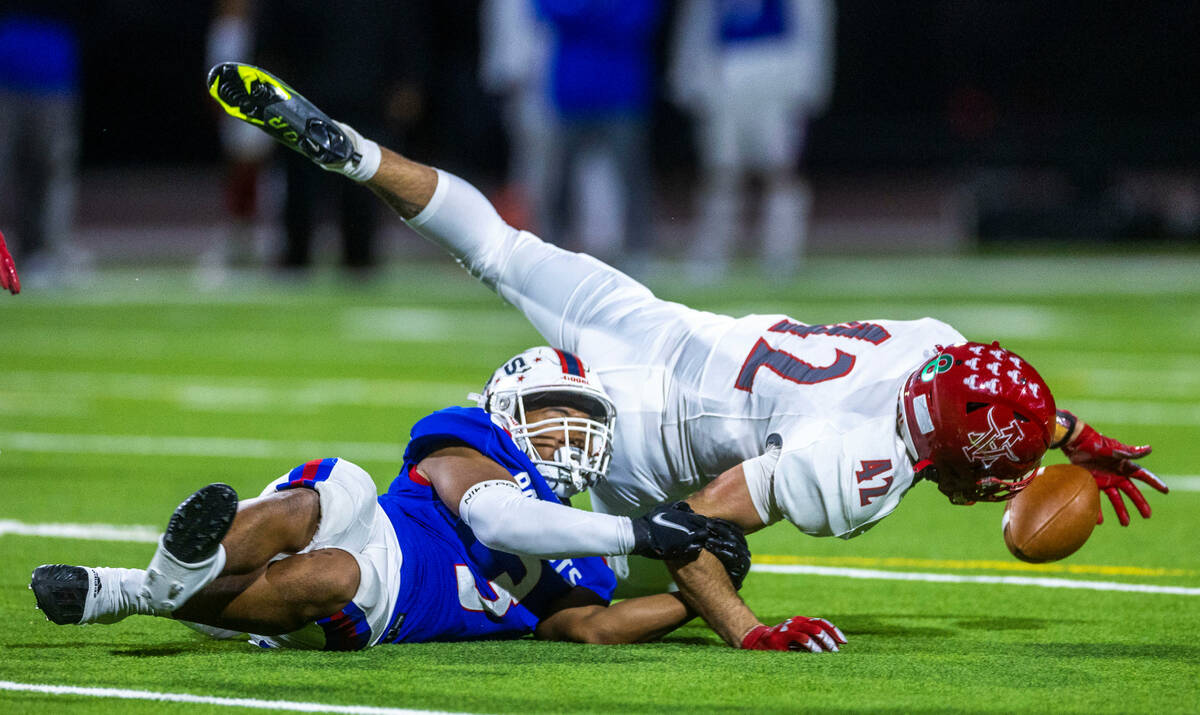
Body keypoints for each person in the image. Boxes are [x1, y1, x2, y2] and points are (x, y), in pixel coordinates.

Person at [204, 63, 1166, 648]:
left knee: (494, 244)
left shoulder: (937, 349)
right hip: (633, 437)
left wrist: (1069, 434)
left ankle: (357, 153)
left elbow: (978, 395)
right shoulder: (864, 467)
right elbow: (692, 521)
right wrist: (749, 631)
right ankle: (297, 587)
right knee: (584, 595)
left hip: (659, 326)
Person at [33, 347, 839, 651]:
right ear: (513, 406)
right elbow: (493, 515)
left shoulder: (583, 552)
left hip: (397, 599)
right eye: (558, 410)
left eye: (585, 419)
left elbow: (591, 625)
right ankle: (159, 580)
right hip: (383, 521)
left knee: (329, 578)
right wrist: (638, 530)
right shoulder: (469, 439)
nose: (572, 432)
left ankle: (142, 585)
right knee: (318, 497)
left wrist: (692, 599)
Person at [668, 0, 835, 280]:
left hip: (778, 65)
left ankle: (781, 253)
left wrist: (812, 82)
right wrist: (687, 76)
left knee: (780, 166)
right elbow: (698, 22)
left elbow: (812, 25)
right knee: (722, 168)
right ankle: (714, 251)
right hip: (725, 66)